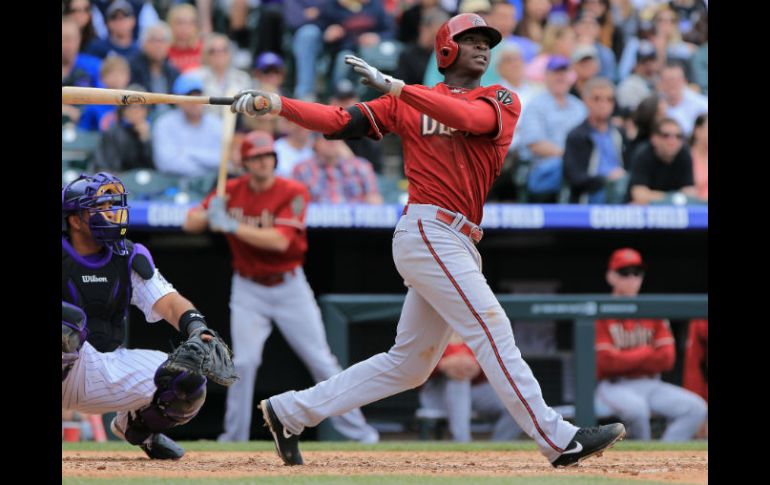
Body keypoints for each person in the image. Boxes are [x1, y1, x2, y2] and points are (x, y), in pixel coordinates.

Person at [229, 12, 625, 468]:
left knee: (410, 364)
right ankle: (559, 439)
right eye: (471, 39)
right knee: (492, 326)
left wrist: (399, 88)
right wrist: (277, 104)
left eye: (485, 42)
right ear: (445, 49)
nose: (482, 48)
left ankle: (290, 411)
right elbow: (340, 120)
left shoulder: (499, 96)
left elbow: (467, 117)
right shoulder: (407, 102)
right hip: (427, 229)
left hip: (457, 237)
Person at [182, 131, 379, 444]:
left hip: (289, 285)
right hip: (248, 287)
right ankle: (233, 438)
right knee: (243, 363)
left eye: (268, 156)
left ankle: (361, 435)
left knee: (321, 360)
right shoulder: (230, 190)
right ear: (245, 162)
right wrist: (207, 214)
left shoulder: (292, 189)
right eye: (256, 157)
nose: (263, 162)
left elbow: (279, 240)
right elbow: (188, 224)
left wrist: (232, 225)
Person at [62, 172, 235, 459]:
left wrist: (196, 326)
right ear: (76, 219)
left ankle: (136, 426)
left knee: (187, 381)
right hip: (66, 359)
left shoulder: (127, 255)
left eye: (112, 205)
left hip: (102, 367)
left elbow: (167, 301)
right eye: (101, 208)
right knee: (68, 323)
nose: (112, 214)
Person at [595, 248, 707, 441]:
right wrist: (647, 352)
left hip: (651, 383)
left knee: (696, 408)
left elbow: (667, 359)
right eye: (624, 272)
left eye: (636, 273)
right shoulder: (601, 311)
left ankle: (665, 454)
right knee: (638, 410)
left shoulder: (651, 309)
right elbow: (605, 363)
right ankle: (641, 460)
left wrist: (625, 357)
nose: (632, 278)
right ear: (611, 276)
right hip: (613, 386)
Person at [419, 332, 523, 442]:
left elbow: (498, 363)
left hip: (475, 390)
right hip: (439, 394)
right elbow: (414, 369)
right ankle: (462, 443)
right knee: (459, 381)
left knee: (519, 406)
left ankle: (495, 448)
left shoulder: (478, 328)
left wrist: (479, 365)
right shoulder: (431, 328)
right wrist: (440, 365)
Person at [563, 77, 627, 203]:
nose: (603, 104)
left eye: (609, 99)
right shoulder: (576, 136)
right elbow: (574, 178)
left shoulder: (620, 133)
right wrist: (606, 179)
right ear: (585, 101)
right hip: (591, 195)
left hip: (621, 191)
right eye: (597, 99)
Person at [152, 73, 223, 177]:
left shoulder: (217, 124)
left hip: (211, 183)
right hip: (174, 183)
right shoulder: (164, 123)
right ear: (177, 100)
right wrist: (205, 169)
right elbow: (165, 164)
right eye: (188, 97)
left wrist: (188, 152)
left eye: (198, 96)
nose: (194, 101)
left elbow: (222, 160)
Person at [291, 136, 384, 204]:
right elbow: (296, 203)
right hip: (314, 227)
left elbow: (375, 200)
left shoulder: (361, 167)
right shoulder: (302, 169)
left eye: (336, 136)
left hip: (356, 227)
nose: (332, 141)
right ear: (315, 142)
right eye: (326, 137)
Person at [627, 117, 697, 205]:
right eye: (666, 135)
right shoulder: (643, 154)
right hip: (648, 209)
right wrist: (673, 198)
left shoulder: (684, 154)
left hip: (674, 209)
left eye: (678, 136)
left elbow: (689, 192)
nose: (673, 141)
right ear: (654, 138)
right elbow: (639, 195)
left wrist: (666, 198)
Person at [93, 85, 154, 172]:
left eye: (141, 106)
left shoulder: (154, 131)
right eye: (131, 106)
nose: (136, 110)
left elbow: (156, 168)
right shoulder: (112, 133)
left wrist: (146, 141)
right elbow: (105, 167)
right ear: (123, 110)